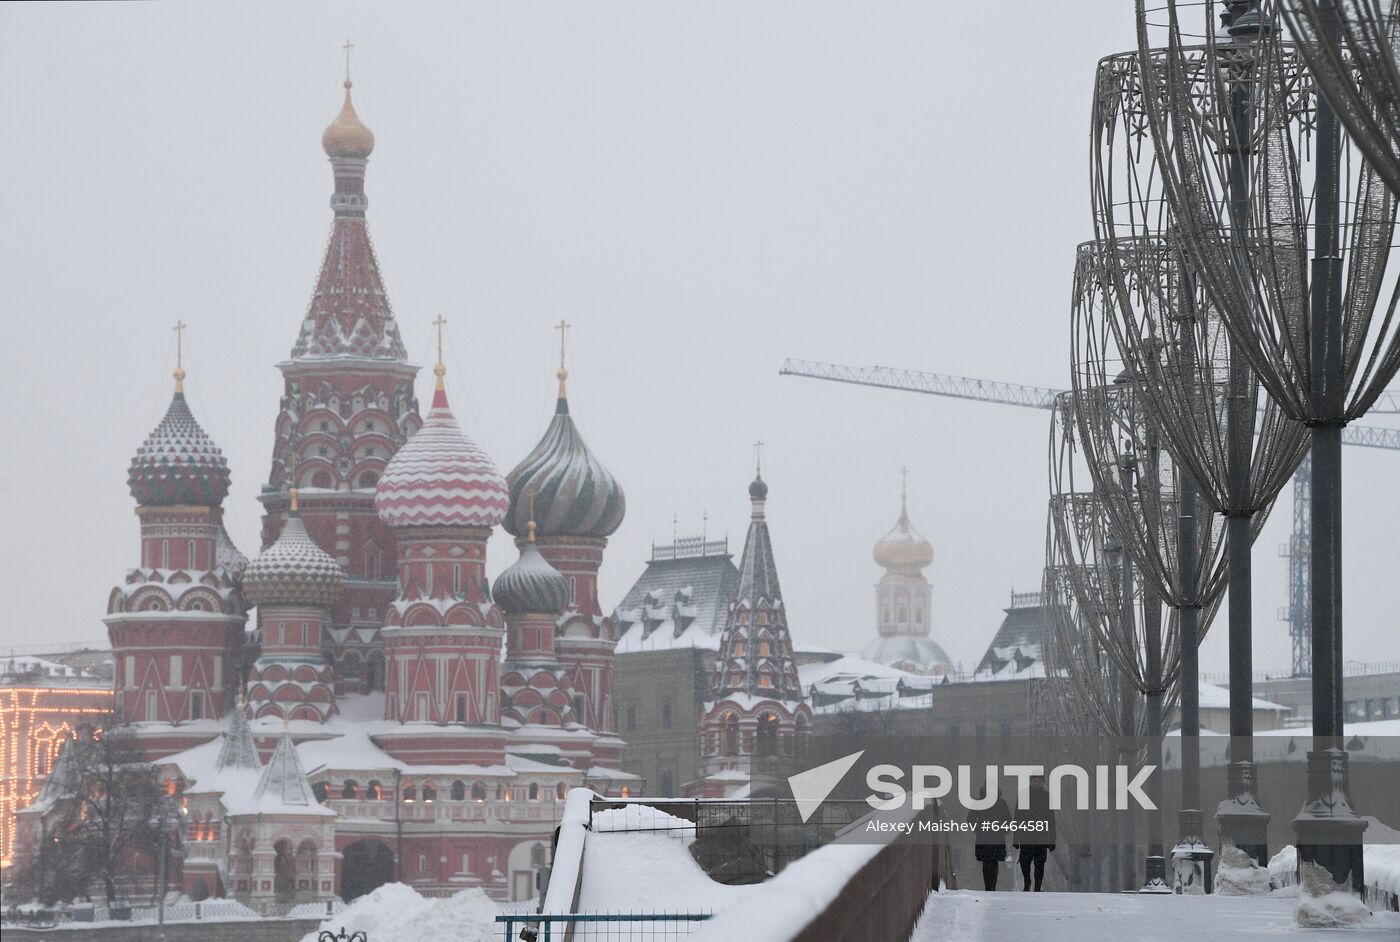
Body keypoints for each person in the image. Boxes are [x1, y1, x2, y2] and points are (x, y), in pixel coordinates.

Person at [1012, 774, 1056, 891]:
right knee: (1024, 862)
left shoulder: (1046, 797)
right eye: (1035, 781)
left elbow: (1051, 818)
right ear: (1030, 782)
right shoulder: (1023, 795)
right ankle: (1027, 881)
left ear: (1042, 783)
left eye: (1039, 781)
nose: (1037, 783)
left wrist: (1053, 839)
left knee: (1040, 864)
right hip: (1026, 834)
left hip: (1042, 835)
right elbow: (1017, 817)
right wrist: (1016, 838)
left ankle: (1037, 885)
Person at [966, 784, 1011, 891]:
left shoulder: (1001, 803)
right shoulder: (982, 802)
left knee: (992, 863)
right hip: (985, 836)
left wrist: (1003, 829)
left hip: (995, 836)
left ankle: (991, 887)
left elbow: (1007, 819)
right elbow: (971, 818)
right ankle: (989, 887)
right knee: (987, 863)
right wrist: (978, 829)